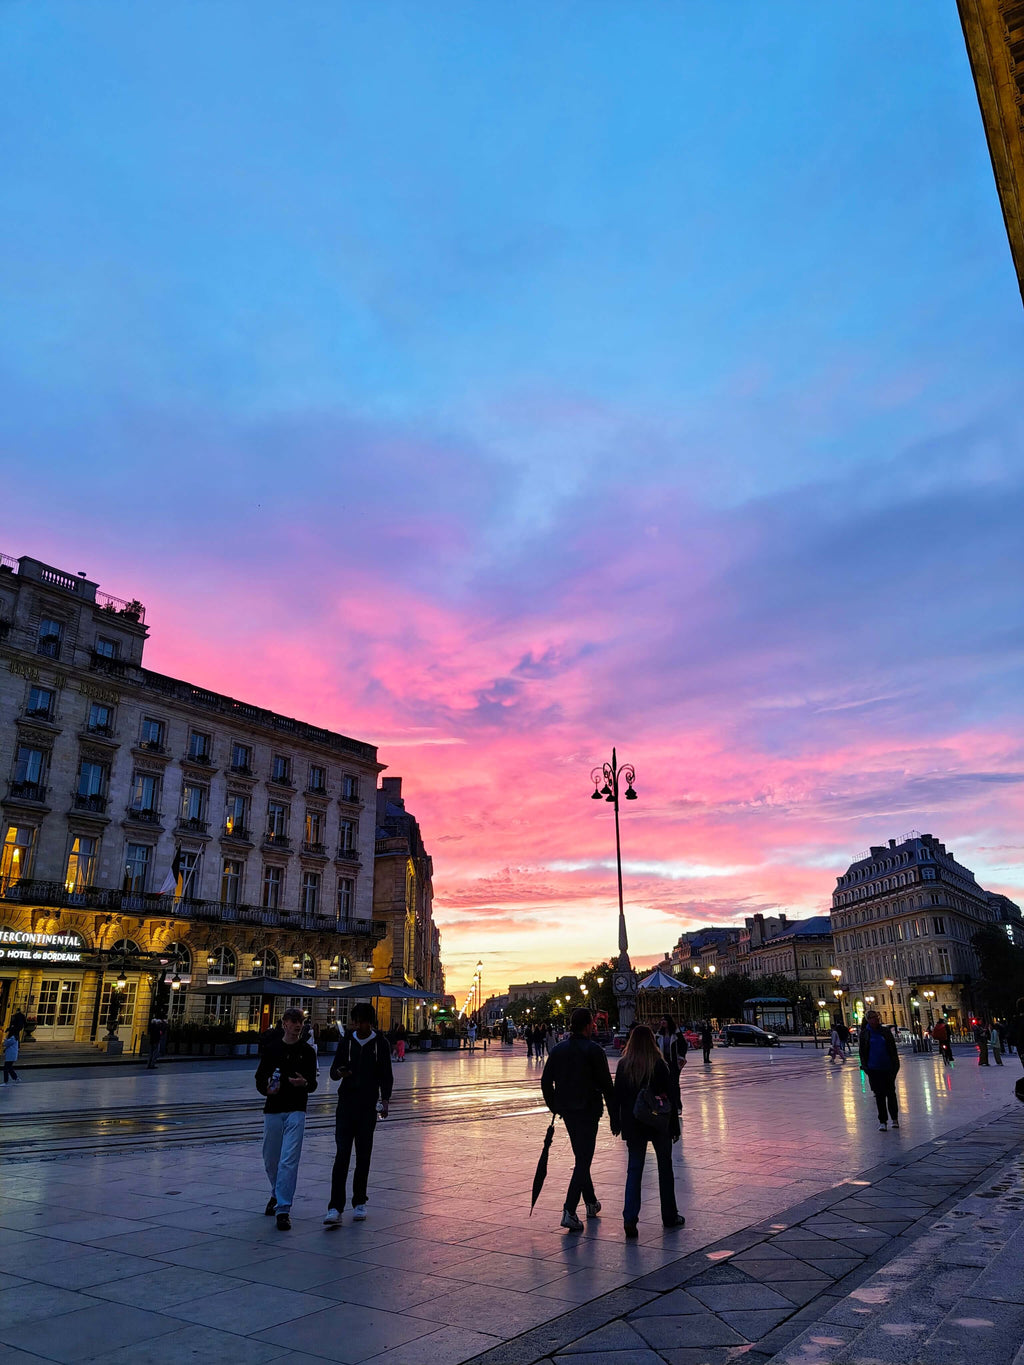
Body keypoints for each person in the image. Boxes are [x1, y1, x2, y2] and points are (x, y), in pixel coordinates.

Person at [541, 1006, 618, 1233]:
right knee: (584, 1160)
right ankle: (569, 1210)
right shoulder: (594, 1050)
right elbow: (607, 1086)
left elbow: (546, 1082)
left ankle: (591, 1202)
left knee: (581, 1156)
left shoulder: (558, 1050)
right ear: (588, 1026)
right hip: (589, 1110)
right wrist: (616, 1117)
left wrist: (554, 1105)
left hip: (568, 1112)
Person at [613, 1024, 686, 1238]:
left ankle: (629, 1218)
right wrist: (673, 1127)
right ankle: (669, 1215)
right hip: (658, 1123)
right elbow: (671, 1097)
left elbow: (617, 1097)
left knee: (634, 1170)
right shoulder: (659, 1064)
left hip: (634, 1124)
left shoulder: (624, 1065)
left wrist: (616, 1123)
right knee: (665, 1168)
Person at [324, 1002, 393, 1225]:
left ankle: (360, 1201)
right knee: (341, 1155)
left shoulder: (380, 1043)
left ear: (370, 1022)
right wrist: (340, 1072)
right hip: (345, 1105)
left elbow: (386, 1073)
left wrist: (385, 1099)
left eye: (361, 1021)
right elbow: (334, 1072)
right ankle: (335, 1207)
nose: (357, 1025)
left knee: (364, 1156)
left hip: (367, 1107)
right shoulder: (347, 1041)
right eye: (355, 1021)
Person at [255, 1006, 318, 1230]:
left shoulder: (308, 1052)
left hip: (297, 1109)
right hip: (273, 1108)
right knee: (271, 1159)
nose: (298, 1025)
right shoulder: (272, 1050)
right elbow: (260, 1078)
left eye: (300, 1021)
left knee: (289, 1160)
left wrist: (305, 1083)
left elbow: (313, 1083)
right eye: (293, 1022)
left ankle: (283, 1209)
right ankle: (276, 1192)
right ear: (284, 1024)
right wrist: (267, 1089)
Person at [859, 1008, 900, 1131]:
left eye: (877, 1017)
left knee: (891, 1094)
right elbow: (862, 1052)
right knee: (879, 1096)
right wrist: (866, 1067)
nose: (876, 1019)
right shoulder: (865, 1033)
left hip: (888, 1067)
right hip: (874, 1069)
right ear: (868, 1020)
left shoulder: (885, 1032)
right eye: (873, 1017)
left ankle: (894, 1119)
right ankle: (883, 1121)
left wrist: (895, 1066)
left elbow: (893, 1049)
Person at [657, 1015, 687, 1112]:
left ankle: (677, 1105)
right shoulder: (659, 1035)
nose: (662, 1022)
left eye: (664, 1020)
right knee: (664, 1084)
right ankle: (667, 1104)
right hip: (663, 1062)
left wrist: (681, 1057)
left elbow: (683, 1045)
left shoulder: (676, 1034)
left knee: (674, 1084)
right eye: (661, 1020)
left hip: (673, 1062)